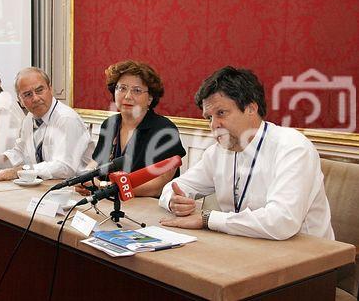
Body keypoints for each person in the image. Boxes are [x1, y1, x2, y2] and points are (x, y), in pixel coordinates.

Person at [159, 66, 334, 240]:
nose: (214, 125)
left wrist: (207, 219)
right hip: (244, 245)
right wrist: (174, 201)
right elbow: (174, 188)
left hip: (307, 255)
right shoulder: (217, 153)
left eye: (221, 113)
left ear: (251, 108)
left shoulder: (293, 148)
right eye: (209, 118)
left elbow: (281, 222)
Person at [76, 60, 186, 197]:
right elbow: (95, 162)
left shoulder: (164, 130)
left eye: (137, 90)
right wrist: (85, 178)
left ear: (150, 98)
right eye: (122, 88)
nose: (128, 96)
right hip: (108, 201)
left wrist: (109, 188)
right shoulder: (109, 124)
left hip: (147, 207)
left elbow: (159, 184)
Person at [0, 67, 94, 180]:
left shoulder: (66, 118)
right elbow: (21, 152)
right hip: (46, 187)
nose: (35, 98)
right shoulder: (30, 118)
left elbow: (65, 167)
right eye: (27, 94)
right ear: (20, 101)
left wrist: (18, 171)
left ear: (50, 89)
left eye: (39, 90)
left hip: (77, 191)